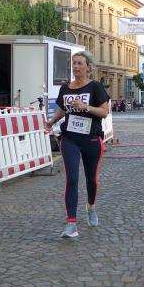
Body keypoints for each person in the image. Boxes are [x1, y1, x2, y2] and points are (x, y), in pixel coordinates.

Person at [45, 51, 110, 238]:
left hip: (91, 138)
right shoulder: (66, 88)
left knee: (91, 179)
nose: (76, 66)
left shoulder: (95, 87)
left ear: (88, 67)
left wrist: (86, 107)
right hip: (70, 138)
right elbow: (63, 109)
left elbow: (104, 112)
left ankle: (91, 207)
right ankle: (71, 224)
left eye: (80, 63)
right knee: (72, 179)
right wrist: (52, 121)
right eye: (73, 63)